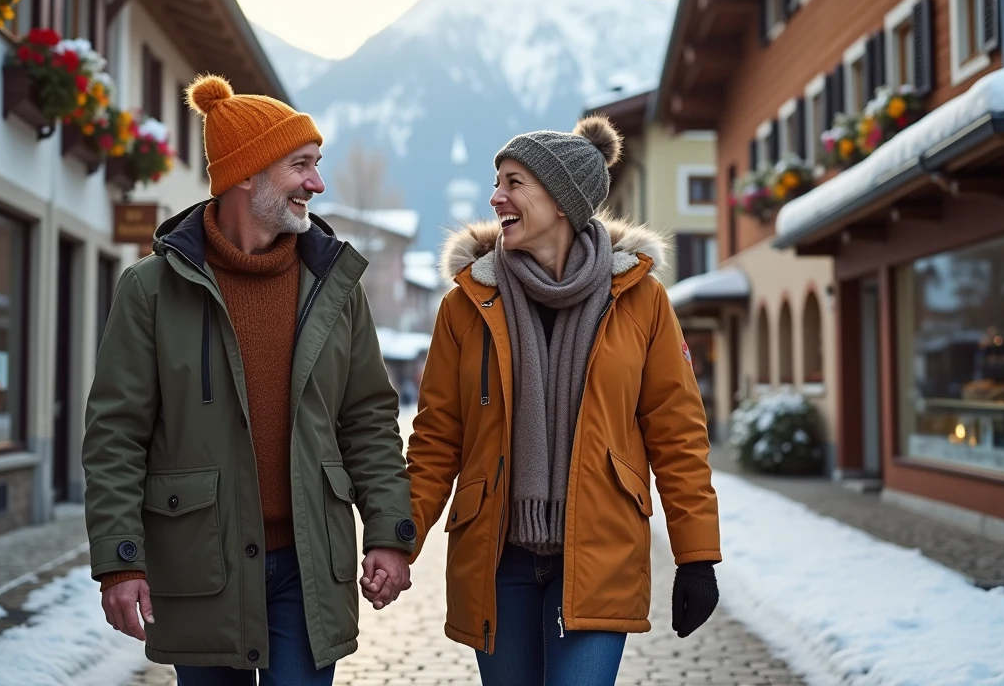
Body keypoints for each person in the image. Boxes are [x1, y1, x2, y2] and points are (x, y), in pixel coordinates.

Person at [82, 75, 416, 686]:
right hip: (200, 565)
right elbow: (116, 435)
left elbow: (367, 418)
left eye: (317, 165)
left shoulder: (335, 286)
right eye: (301, 166)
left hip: (311, 564)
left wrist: (391, 533)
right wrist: (120, 561)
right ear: (246, 173)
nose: (317, 184)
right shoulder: (150, 290)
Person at [405, 116, 722, 685]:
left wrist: (696, 554)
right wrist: (398, 538)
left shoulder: (641, 300)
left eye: (513, 181)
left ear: (561, 199)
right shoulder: (467, 305)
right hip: (497, 557)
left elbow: (677, 435)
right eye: (496, 181)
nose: (495, 196)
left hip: (600, 552)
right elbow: (437, 437)